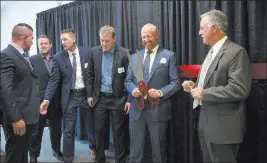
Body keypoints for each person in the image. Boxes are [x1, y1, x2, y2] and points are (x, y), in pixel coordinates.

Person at [182, 9, 252, 163]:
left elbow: (240, 89)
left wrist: (204, 94)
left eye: (202, 28)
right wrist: (194, 86)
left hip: (223, 130)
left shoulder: (236, 52)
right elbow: (210, 84)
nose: (199, 32)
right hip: (206, 125)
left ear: (215, 28)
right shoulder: (211, 52)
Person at [125, 23, 180, 163]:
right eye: (143, 36)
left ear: (156, 36)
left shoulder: (169, 56)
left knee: (159, 153)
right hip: (137, 111)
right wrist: (133, 90)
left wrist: (161, 92)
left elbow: (175, 83)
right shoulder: (134, 57)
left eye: (148, 36)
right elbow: (128, 81)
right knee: (135, 152)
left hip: (158, 110)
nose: (145, 39)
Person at [39, 29, 95, 163]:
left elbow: (93, 75)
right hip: (70, 96)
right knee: (68, 129)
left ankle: (94, 148)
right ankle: (68, 157)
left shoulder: (87, 52)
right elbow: (54, 80)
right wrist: (46, 99)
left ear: (74, 38)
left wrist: (92, 94)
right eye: (61, 40)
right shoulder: (58, 57)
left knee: (91, 125)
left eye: (65, 39)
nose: (63, 42)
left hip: (86, 95)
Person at [85, 25, 130, 163]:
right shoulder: (94, 52)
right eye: (102, 40)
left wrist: (129, 100)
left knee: (118, 132)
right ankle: (99, 158)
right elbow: (89, 74)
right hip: (101, 99)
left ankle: (120, 159)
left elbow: (130, 77)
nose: (104, 44)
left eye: (107, 41)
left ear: (114, 39)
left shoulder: (124, 53)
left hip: (118, 99)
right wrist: (90, 95)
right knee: (98, 130)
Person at [0, 23, 39, 163]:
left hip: (27, 116)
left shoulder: (22, 55)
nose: (33, 42)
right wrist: (15, 118)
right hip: (18, 119)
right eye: (32, 38)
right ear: (24, 37)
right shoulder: (6, 55)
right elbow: (5, 90)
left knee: (22, 155)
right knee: (15, 156)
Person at [29, 35, 63, 162]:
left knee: (56, 130)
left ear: (51, 44)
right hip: (39, 103)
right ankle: (33, 156)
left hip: (56, 102)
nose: (43, 46)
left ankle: (56, 151)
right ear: (38, 46)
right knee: (36, 132)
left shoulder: (58, 59)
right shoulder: (32, 60)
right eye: (41, 44)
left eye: (45, 43)